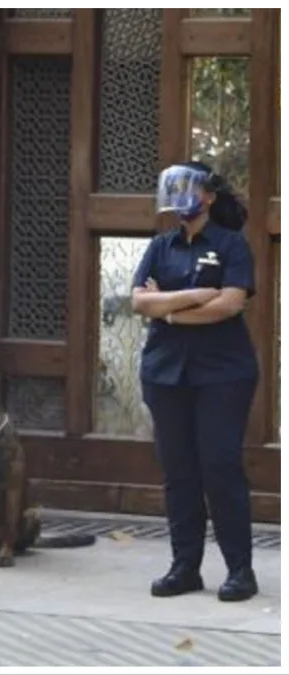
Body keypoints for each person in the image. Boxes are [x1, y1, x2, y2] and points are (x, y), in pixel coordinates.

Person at [130, 162, 259, 602]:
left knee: (220, 467)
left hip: (223, 373)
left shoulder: (231, 245)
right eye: (176, 187)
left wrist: (167, 310)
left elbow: (229, 304)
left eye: (190, 188)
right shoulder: (160, 246)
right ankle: (185, 567)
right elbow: (138, 302)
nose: (181, 196)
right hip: (165, 372)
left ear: (209, 196)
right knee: (179, 472)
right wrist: (189, 299)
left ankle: (239, 569)